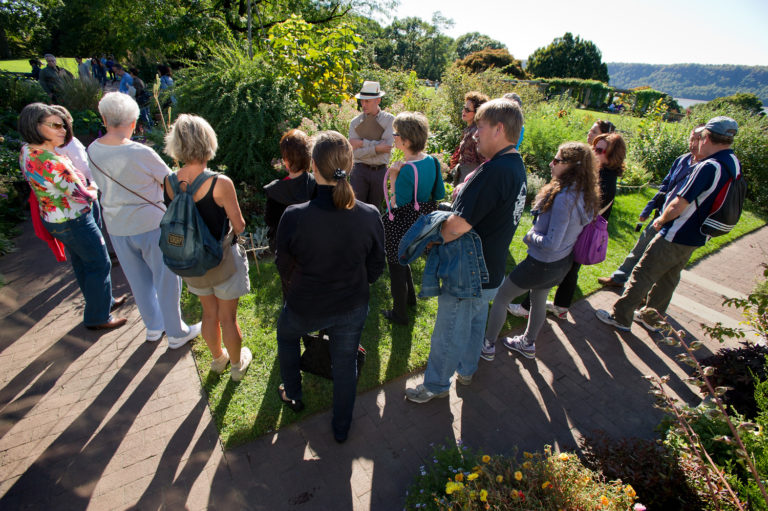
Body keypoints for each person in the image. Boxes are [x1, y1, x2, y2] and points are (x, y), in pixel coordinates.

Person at [405, 98, 527, 403]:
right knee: (474, 323)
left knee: (448, 331)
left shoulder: (495, 171)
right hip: (491, 269)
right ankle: (468, 369)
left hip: (468, 272)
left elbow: (457, 226)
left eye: (480, 128)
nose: (474, 134)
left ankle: (435, 385)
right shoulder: (515, 164)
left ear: (499, 129)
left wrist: (435, 237)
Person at [275, 131, 385, 443]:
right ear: (350, 165)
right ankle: (341, 426)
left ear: (313, 166)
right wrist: (354, 285)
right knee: (345, 361)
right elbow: (376, 266)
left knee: (286, 336)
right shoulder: (369, 214)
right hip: (351, 304)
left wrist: (304, 286)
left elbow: (284, 266)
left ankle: (293, 394)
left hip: (305, 305)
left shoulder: (295, 216)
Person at [596, 116, 741, 332]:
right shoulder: (732, 162)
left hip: (677, 231)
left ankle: (620, 317)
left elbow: (679, 203)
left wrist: (660, 221)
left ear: (706, 137)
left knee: (643, 272)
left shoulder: (708, 166)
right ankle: (651, 317)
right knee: (669, 277)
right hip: (697, 234)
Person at [88, 92, 201, 348]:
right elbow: (171, 182)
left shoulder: (92, 150)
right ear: (133, 121)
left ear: (104, 118)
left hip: (116, 225)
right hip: (151, 224)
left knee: (137, 280)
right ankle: (176, 332)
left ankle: (153, 326)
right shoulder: (140, 152)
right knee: (167, 277)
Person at [482, 142, 598, 361]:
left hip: (541, 262)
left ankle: (487, 345)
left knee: (501, 297)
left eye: (557, 160)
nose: (551, 163)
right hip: (561, 263)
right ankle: (528, 343)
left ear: (572, 166)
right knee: (538, 299)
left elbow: (551, 241)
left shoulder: (565, 198)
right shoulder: (585, 193)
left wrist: (529, 236)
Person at [18, 103, 127, 330]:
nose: (63, 130)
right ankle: (98, 317)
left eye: (63, 125)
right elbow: (83, 194)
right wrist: (96, 187)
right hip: (74, 218)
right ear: (35, 126)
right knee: (99, 263)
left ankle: (101, 302)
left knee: (81, 262)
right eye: (55, 125)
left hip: (55, 218)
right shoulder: (52, 162)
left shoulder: (28, 151)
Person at [163, 114, 252, 380]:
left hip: (189, 261)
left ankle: (217, 359)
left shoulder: (168, 181)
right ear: (207, 141)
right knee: (228, 318)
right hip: (221, 260)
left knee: (208, 313)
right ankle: (237, 366)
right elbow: (239, 225)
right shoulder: (219, 183)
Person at [507, 132, 626, 320]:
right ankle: (558, 306)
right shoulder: (596, 175)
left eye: (600, 149)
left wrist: (532, 236)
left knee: (556, 274)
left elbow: (591, 210)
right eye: (594, 146)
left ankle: (529, 307)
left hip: (577, 235)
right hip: (574, 233)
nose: (594, 151)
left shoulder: (605, 180)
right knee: (566, 273)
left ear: (613, 155)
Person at [598, 127, 703, 288]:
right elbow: (665, 186)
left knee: (656, 258)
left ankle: (642, 291)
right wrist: (649, 207)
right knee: (640, 246)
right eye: (691, 138)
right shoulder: (682, 160)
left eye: (698, 139)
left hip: (681, 221)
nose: (693, 143)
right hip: (662, 213)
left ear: (705, 140)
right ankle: (619, 278)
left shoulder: (705, 168)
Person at [381, 112, 446, 325]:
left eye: (396, 133)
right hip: (423, 221)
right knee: (406, 257)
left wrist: (392, 177)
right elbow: (438, 194)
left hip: (403, 222)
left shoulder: (406, 170)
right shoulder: (432, 162)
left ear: (406, 141)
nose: (393, 136)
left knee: (396, 265)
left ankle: (399, 313)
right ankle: (410, 300)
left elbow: (395, 205)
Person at [263, 129, 316, 252]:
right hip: (313, 248)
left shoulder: (275, 191)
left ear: (286, 160)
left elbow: (270, 220)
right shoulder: (317, 185)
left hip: (286, 251)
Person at [348, 81, 394, 208]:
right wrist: (376, 147)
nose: (363, 104)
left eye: (367, 101)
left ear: (378, 100)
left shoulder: (389, 120)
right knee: (356, 210)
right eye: (362, 101)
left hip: (380, 171)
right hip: (359, 171)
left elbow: (387, 147)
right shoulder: (355, 122)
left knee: (374, 211)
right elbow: (354, 152)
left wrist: (362, 143)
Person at [449, 91, 489, 186]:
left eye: (467, 110)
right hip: (464, 175)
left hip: (470, 179)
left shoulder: (477, 133)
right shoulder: (469, 129)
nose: (463, 111)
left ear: (477, 113)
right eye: (464, 108)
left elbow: (484, 160)